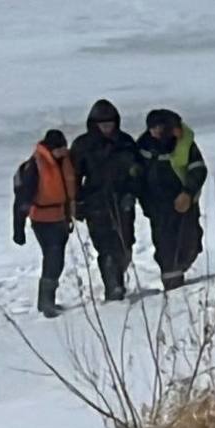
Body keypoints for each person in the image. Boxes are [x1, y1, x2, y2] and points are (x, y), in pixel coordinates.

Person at [70, 99, 142, 301]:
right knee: (106, 247)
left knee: (125, 244)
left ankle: (117, 278)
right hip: (96, 203)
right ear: (94, 124)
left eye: (110, 123)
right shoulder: (83, 145)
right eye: (103, 124)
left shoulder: (126, 142)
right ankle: (114, 287)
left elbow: (138, 171)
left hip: (123, 202)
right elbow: (73, 176)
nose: (107, 128)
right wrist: (77, 202)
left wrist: (132, 192)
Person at [136, 109, 207, 291]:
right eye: (154, 128)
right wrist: (145, 202)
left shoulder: (185, 144)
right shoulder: (143, 146)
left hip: (184, 201)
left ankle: (180, 266)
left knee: (191, 243)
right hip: (158, 205)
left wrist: (188, 192)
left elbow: (198, 169)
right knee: (165, 245)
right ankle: (173, 286)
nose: (157, 132)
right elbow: (137, 177)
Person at [12, 129, 77, 317]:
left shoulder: (64, 162)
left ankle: (47, 300)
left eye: (64, 149)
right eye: (59, 149)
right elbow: (22, 200)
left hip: (60, 218)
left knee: (57, 260)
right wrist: (19, 228)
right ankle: (46, 302)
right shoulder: (34, 167)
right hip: (42, 220)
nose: (63, 152)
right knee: (53, 257)